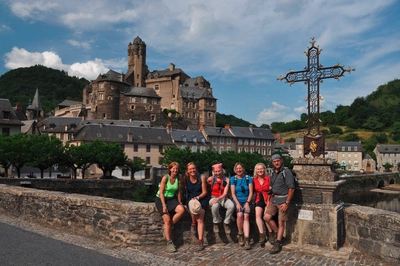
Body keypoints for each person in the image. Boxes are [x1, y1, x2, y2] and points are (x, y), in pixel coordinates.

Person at [264, 154, 295, 254]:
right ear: (272, 162)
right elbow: (272, 185)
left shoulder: (286, 172)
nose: (276, 163)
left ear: (281, 161)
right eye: (274, 161)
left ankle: (278, 242)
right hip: (274, 199)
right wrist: (271, 189)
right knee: (267, 217)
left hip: (283, 200)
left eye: (278, 161)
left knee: (281, 222)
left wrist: (287, 203)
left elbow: (291, 188)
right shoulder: (273, 172)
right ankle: (278, 234)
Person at [155, 162, 185, 253]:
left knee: (182, 210)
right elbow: (161, 192)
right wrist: (164, 205)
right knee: (167, 219)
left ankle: (167, 228)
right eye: (173, 168)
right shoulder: (165, 178)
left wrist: (179, 202)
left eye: (177, 169)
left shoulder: (179, 178)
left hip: (172, 199)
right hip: (161, 199)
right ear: (170, 169)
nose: (175, 170)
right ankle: (169, 242)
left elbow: (179, 191)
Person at [185, 162, 208, 251]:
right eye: (190, 169)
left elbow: (204, 192)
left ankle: (200, 240)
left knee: (201, 218)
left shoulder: (201, 179)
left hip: (201, 198)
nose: (192, 170)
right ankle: (193, 223)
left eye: (193, 168)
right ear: (188, 171)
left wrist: (198, 198)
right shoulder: (186, 180)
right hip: (191, 199)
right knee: (192, 206)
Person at [230, 162, 253, 250]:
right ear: (235, 170)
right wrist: (238, 204)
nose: (239, 170)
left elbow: (251, 192)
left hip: (247, 200)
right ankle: (240, 234)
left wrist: (247, 203)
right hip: (238, 200)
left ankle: (247, 238)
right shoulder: (233, 179)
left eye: (240, 168)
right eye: (237, 169)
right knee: (239, 215)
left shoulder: (248, 178)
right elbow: (233, 194)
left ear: (243, 169)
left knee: (246, 216)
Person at [207, 163, 235, 234]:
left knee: (231, 206)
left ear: (222, 171)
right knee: (215, 206)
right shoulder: (211, 179)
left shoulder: (226, 180)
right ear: (214, 172)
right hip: (213, 197)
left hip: (223, 198)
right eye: (216, 171)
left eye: (219, 171)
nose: (218, 173)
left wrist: (218, 199)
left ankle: (226, 222)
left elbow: (225, 193)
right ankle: (216, 222)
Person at [253, 162, 274, 247]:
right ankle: (262, 235)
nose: (260, 170)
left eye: (261, 169)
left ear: (264, 169)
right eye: (258, 169)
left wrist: (268, 202)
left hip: (268, 199)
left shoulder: (268, 179)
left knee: (266, 215)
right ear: (256, 170)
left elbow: (271, 191)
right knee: (257, 214)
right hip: (259, 199)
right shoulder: (254, 180)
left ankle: (270, 233)